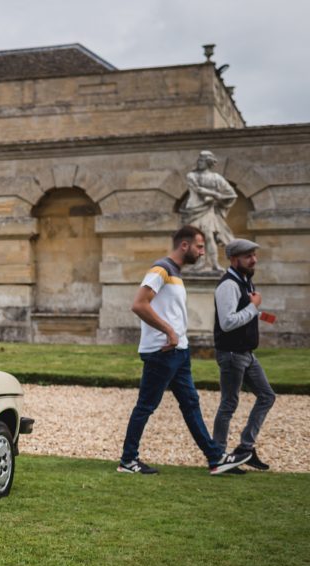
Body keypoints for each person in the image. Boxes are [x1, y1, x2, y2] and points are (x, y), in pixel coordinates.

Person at [118, 225, 250, 475]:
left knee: (191, 404)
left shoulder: (175, 273)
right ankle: (128, 460)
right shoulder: (161, 269)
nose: (203, 252)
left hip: (178, 352)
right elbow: (138, 304)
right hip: (162, 351)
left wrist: (177, 336)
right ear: (185, 245)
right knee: (146, 406)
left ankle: (215, 459)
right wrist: (168, 331)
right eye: (200, 246)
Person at [212, 239, 275, 471]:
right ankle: (217, 455)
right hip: (231, 353)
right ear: (234, 259)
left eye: (254, 255)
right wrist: (253, 306)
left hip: (246, 353)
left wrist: (268, 316)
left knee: (267, 396)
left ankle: (245, 449)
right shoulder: (228, 285)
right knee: (228, 404)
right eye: (248, 256)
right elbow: (228, 322)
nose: (254, 260)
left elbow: (249, 312)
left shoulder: (245, 282)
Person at [179, 150, 238, 273]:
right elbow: (197, 189)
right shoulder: (192, 175)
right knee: (193, 238)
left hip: (209, 211)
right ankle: (196, 263)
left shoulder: (217, 178)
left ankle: (214, 264)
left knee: (209, 237)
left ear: (208, 162)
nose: (199, 162)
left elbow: (231, 195)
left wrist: (217, 199)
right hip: (194, 210)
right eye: (198, 160)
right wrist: (214, 194)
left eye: (202, 160)